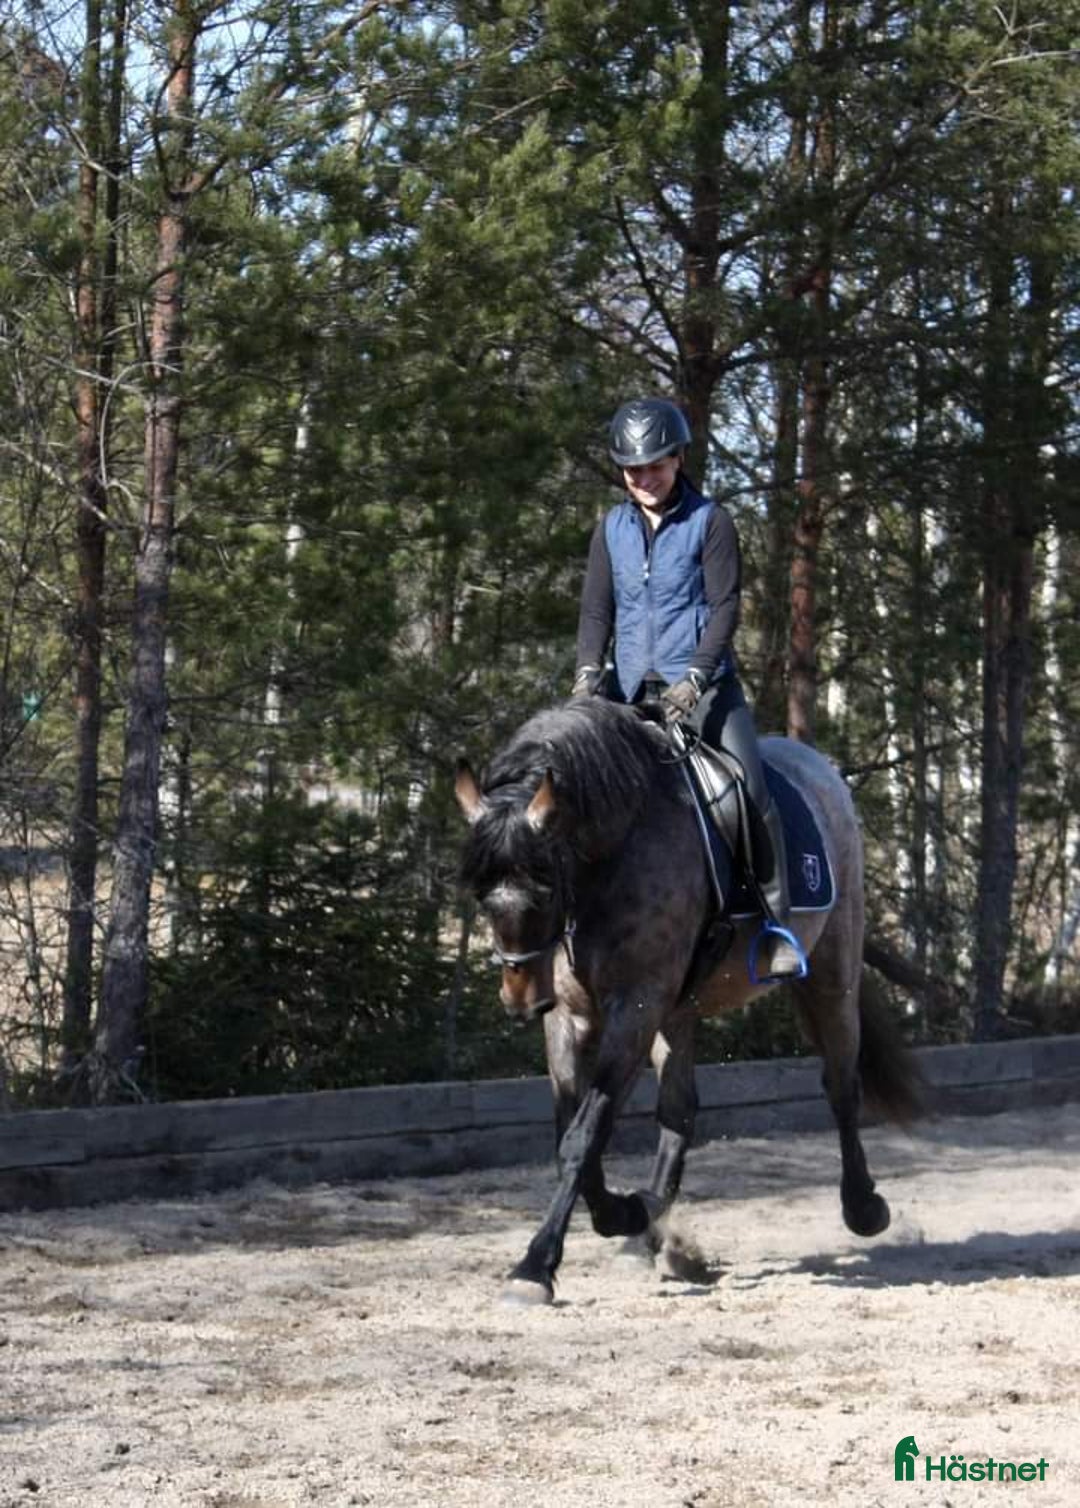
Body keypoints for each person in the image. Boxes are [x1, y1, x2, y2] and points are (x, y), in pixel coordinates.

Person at [572, 396, 805, 978]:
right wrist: (585, 676)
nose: (644, 478)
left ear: (677, 458)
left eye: (654, 466)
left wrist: (696, 678)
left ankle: (775, 924)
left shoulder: (711, 522)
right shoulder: (611, 528)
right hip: (627, 697)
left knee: (750, 789)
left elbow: (726, 609)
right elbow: (597, 610)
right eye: (633, 470)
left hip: (704, 691)